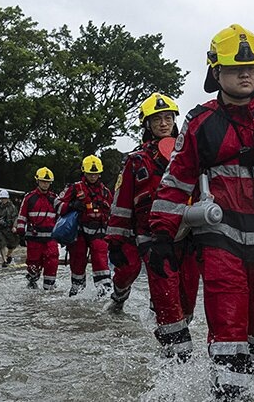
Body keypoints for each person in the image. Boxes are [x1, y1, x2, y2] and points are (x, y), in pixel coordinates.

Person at [148, 24, 254, 398]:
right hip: (220, 240)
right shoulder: (200, 122)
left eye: (253, 68)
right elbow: (176, 180)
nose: (246, 74)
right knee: (228, 334)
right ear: (216, 73)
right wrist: (161, 236)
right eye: (236, 68)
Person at [105, 92, 200, 361]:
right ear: (147, 124)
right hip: (151, 238)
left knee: (188, 297)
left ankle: (177, 336)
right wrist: (116, 241)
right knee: (166, 296)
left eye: (168, 118)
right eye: (156, 119)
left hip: (188, 235)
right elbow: (121, 204)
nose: (163, 123)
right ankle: (176, 359)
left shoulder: (190, 156)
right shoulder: (136, 161)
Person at [57, 155, 114, 297]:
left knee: (101, 258)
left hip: (99, 231)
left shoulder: (105, 191)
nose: (93, 176)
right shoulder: (75, 188)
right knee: (77, 260)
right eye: (90, 173)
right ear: (84, 172)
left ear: (100, 173)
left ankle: (104, 292)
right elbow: (57, 204)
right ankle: (77, 290)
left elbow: (113, 211)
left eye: (95, 173)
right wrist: (71, 205)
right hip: (79, 231)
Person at [15, 167, 61, 289]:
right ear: (37, 181)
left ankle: (49, 287)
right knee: (33, 263)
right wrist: (20, 232)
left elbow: (61, 216)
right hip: (34, 238)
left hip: (50, 238)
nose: (45, 184)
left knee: (52, 260)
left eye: (48, 182)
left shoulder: (54, 198)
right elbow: (22, 215)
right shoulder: (29, 198)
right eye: (43, 181)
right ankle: (32, 281)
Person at [0, 190, 19, 268]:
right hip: (0, 229)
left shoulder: (12, 208)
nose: (3, 200)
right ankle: (4, 261)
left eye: (5, 198)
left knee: (13, 245)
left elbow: (16, 217)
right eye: (2, 198)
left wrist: (14, 226)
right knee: (1, 244)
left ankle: (8, 255)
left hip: (9, 229)